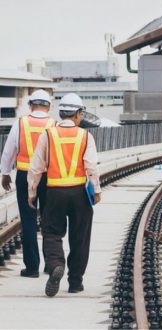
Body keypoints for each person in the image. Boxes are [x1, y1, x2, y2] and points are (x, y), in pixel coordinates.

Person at [27, 93, 101, 297]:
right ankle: (75, 281)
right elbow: (91, 166)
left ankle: (56, 264)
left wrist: (32, 192)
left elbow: (35, 168)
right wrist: (96, 190)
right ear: (78, 114)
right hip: (79, 193)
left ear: (61, 113)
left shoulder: (47, 135)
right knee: (80, 237)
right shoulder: (85, 136)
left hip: (54, 192)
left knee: (51, 233)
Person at [1, 89, 55, 278]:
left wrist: (5, 173)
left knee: (28, 220)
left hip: (24, 176)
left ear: (30, 105)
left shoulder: (21, 123)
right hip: (48, 178)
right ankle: (50, 264)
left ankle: (32, 268)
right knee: (49, 221)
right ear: (48, 105)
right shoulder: (53, 125)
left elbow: (9, 151)